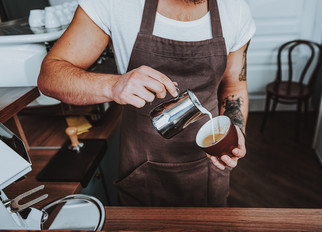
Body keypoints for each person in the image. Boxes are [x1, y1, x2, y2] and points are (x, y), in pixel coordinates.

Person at [38, 0, 256, 207]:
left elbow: (234, 86)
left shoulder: (235, 10)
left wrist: (236, 131)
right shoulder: (113, 4)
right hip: (141, 160)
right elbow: (49, 77)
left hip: (208, 163)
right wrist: (112, 86)